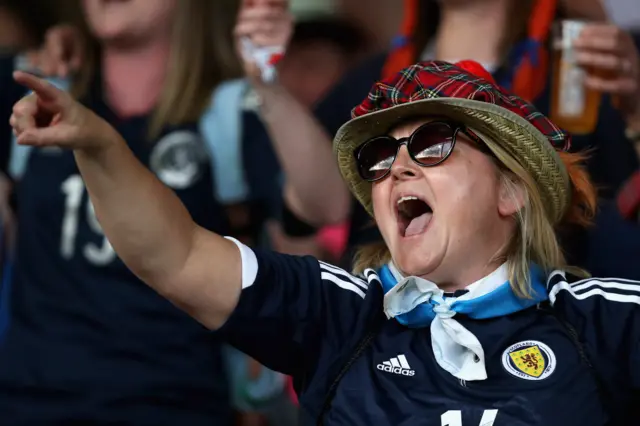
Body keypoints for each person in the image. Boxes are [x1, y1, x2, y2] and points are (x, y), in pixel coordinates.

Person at [11, 58, 640, 425]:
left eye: (432, 145)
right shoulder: (342, 313)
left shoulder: (600, 321)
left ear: (512, 192)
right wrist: (98, 146)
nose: (397, 169)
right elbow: (173, 256)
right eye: (380, 155)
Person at [0, 0, 282, 424]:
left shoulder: (230, 111)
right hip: (29, 401)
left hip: (174, 403)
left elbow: (322, 209)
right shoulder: (31, 86)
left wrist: (269, 84)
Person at [249, 0, 640, 270]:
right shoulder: (374, 81)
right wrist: (266, 80)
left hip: (544, 339)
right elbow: (324, 206)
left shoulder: (584, 68)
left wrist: (636, 109)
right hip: (390, 338)